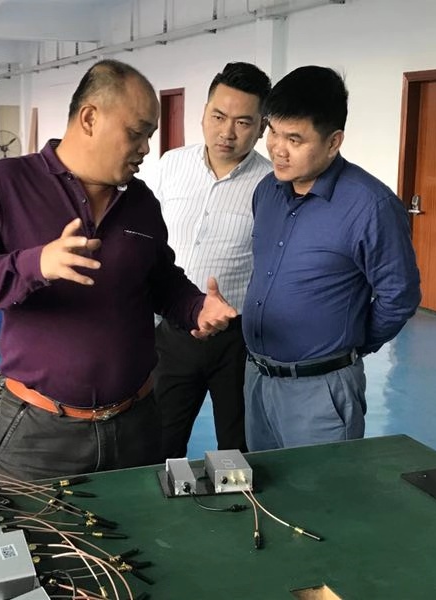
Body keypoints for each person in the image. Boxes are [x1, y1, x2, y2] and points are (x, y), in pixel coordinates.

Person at [0, 59, 237, 481]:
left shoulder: (141, 202)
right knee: (33, 526)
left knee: (144, 524)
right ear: (90, 118)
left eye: (150, 135)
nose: (145, 148)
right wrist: (36, 263)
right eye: (136, 133)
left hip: (137, 426)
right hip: (40, 434)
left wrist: (196, 308)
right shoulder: (6, 183)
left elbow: (161, 281)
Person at [242, 65, 421, 451]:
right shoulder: (267, 191)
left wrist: (350, 345)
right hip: (257, 379)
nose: (277, 148)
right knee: (264, 485)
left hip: (320, 390)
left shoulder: (370, 206)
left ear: (333, 141)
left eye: (294, 138)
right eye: (273, 131)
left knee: (318, 489)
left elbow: (399, 297)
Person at [143, 62, 271, 458]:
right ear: (203, 114)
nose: (227, 132)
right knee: (161, 442)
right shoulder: (171, 166)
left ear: (262, 127)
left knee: (237, 448)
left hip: (237, 340)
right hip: (173, 331)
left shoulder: (271, 184)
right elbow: (147, 237)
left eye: (243, 122)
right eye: (218, 116)